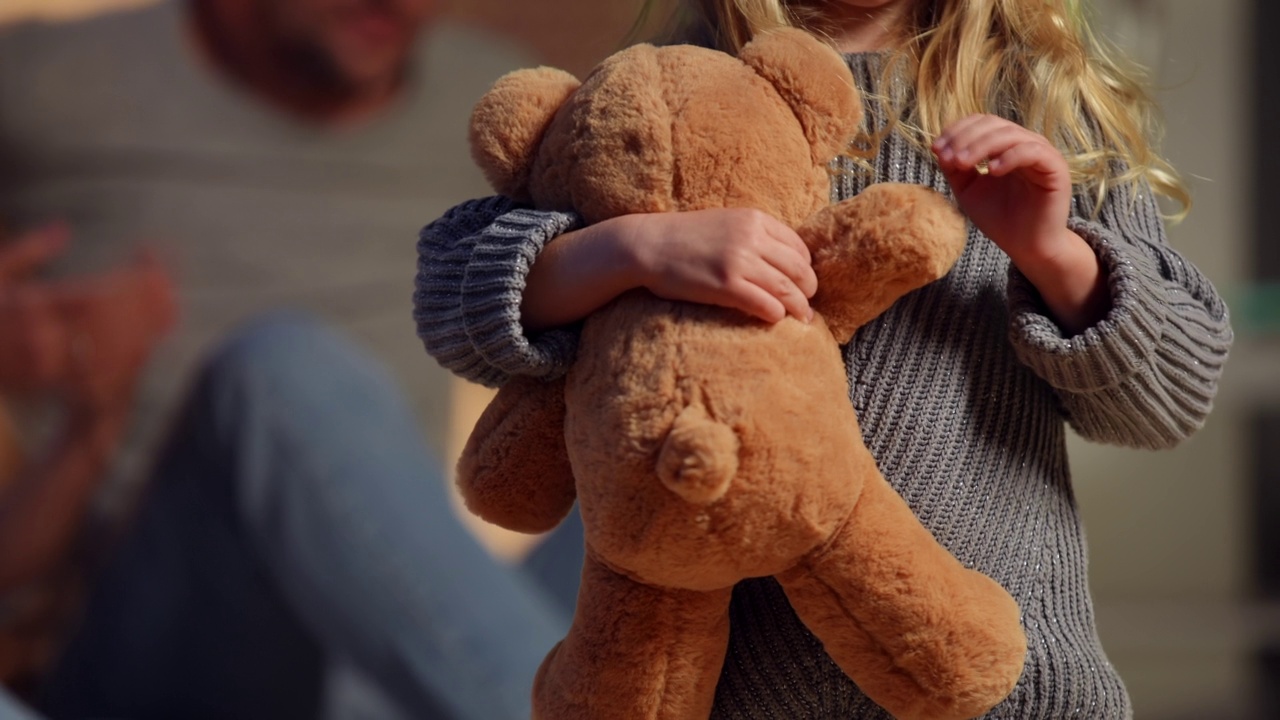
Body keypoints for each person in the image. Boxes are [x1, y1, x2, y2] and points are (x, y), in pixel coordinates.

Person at [414, 0, 1234, 717]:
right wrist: (630, 249)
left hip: (1008, 681)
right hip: (734, 686)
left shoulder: (1049, 106)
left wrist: (1053, 254)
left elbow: (1173, 397)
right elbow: (451, 294)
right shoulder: (664, 87)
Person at [0, 0, 582, 716]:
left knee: (692, 412)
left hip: (410, 647)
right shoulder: (50, 84)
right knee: (281, 370)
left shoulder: (506, 109)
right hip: (176, 656)